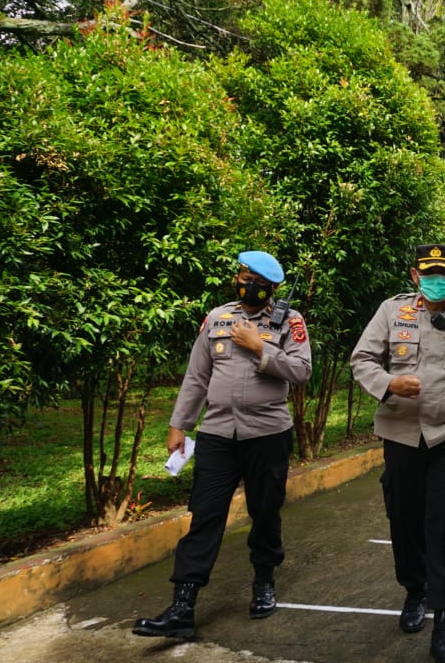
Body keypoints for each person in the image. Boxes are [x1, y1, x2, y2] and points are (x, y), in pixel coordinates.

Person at [133, 251, 312, 639]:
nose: (242, 281)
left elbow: (301, 371)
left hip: (267, 433)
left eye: (251, 277)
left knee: (265, 512)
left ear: (271, 286)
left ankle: (264, 580)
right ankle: (183, 604)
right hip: (217, 433)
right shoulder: (218, 318)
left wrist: (260, 347)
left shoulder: (290, 321)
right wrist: (179, 424)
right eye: (241, 275)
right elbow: (197, 376)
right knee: (205, 514)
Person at [349, 244, 445, 663]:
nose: (438, 279)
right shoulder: (390, 312)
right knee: (405, 517)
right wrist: (388, 385)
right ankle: (415, 590)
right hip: (401, 433)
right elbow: (361, 359)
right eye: (430, 272)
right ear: (415, 275)